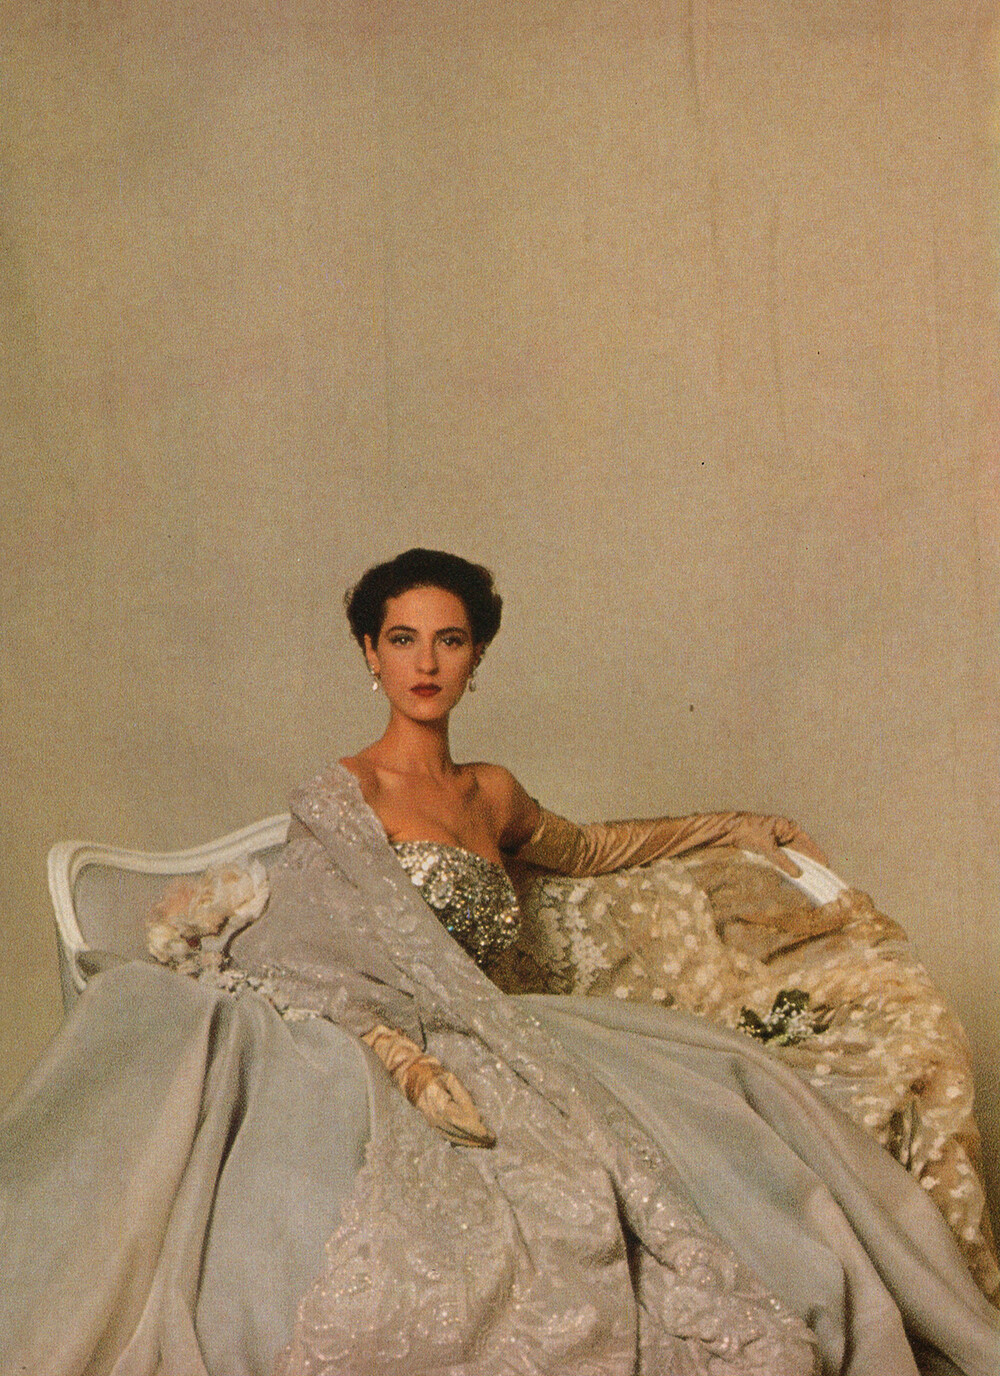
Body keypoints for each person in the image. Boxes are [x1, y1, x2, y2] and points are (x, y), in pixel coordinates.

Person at [1, 549, 998, 1376]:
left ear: (477, 655)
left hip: (489, 1023)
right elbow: (300, 948)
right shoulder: (343, 793)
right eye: (402, 638)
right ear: (369, 654)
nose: (425, 661)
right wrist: (401, 1055)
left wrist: (739, 823)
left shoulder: (492, 792)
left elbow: (594, 848)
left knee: (724, 1107)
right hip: (364, 1038)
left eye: (449, 638)